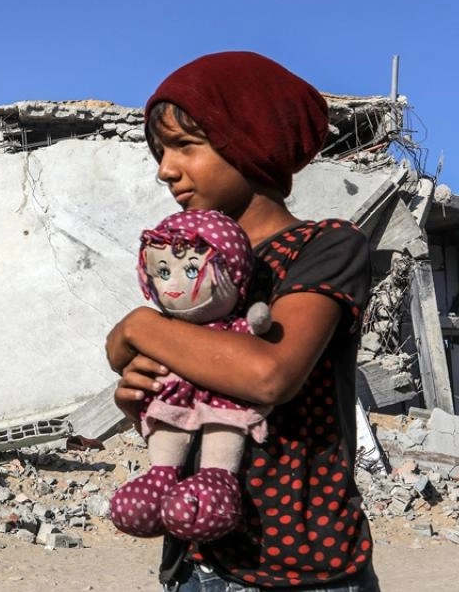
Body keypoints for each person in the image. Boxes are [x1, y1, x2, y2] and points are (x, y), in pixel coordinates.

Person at [106, 51, 379, 591]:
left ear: (250, 145)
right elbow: (198, 388)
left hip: (301, 570)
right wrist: (143, 393)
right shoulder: (193, 269)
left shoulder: (325, 246)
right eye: (160, 152)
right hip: (196, 562)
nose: (166, 170)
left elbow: (268, 374)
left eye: (186, 146)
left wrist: (136, 327)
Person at [109, 209, 272, 543]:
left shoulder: (156, 329)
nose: (173, 286)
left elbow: (269, 371)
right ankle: (159, 480)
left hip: (223, 405)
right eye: (163, 271)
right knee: (167, 431)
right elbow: (121, 353)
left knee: (223, 431)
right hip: (174, 402)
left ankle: (216, 480)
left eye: (193, 270)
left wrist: (139, 327)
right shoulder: (160, 331)